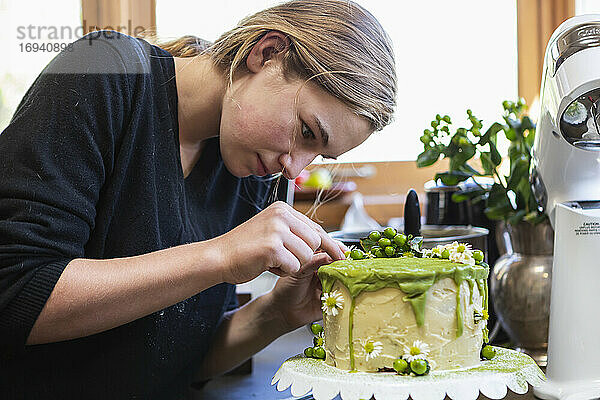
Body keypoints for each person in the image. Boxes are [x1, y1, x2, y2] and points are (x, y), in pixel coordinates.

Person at [0, 0, 396, 398]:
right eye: (307, 132)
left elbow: (174, 362)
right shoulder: (105, 67)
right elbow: (15, 295)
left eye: (318, 157)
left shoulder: (248, 168)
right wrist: (219, 256)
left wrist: (276, 314)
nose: (294, 169)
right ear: (267, 53)